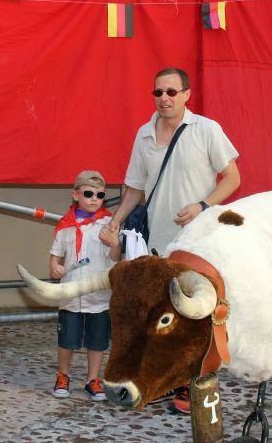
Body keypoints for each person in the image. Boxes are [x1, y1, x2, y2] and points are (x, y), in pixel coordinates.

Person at [100, 66, 240, 413]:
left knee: (199, 315)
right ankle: (166, 381)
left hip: (199, 241)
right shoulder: (144, 135)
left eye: (171, 92)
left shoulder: (206, 129)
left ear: (186, 94)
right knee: (163, 318)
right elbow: (134, 187)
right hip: (159, 242)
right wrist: (115, 222)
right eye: (158, 92)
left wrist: (203, 205)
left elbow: (233, 177)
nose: (164, 98)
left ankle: (195, 386)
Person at [50, 170, 121, 402]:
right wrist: (56, 268)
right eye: (88, 193)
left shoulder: (109, 224)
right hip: (71, 295)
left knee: (97, 340)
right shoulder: (65, 226)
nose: (94, 199)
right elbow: (55, 259)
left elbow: (116, 258)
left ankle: (93, 379)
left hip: (99, 296)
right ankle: (63, 375)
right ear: (75, 194)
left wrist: (113, 243)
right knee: (66, 339)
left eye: (100, 195)